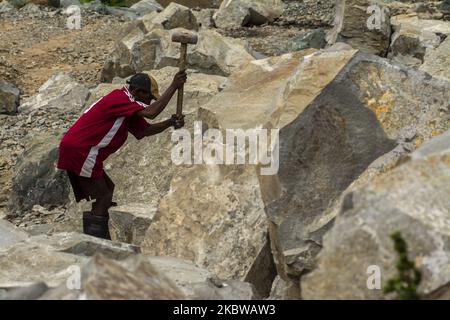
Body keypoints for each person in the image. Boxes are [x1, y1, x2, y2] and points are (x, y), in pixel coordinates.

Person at [57, 70, 187, 239]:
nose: (148, 102)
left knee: (108, 189)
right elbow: (151, 112)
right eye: (148, 97)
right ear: (138, 92)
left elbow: (145, 130)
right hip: (82, 150)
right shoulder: (121, 98)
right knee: (103, 195)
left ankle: (98, 234)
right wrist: (174, 86)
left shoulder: (126, 107)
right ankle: (96, 242)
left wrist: (170, 122)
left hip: (83, 150)